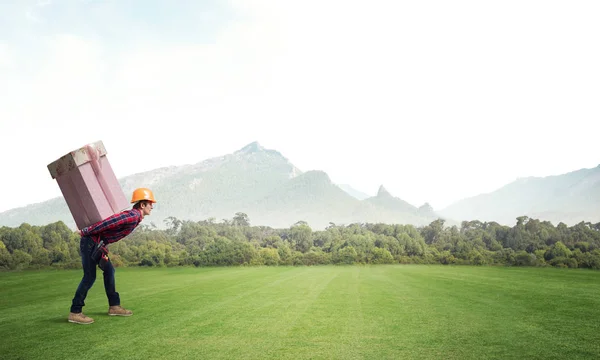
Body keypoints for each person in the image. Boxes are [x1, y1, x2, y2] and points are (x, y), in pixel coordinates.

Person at [68, 187, 156, 325]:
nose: (152, 206)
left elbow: (110, 230)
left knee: (109, 270)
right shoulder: (132, 215)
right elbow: (110, 222)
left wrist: (103, 245)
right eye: (150, 203)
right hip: (90, 242)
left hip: (97, 244)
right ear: (142, 204)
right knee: (89, 277)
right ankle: (75, 312)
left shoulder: (136, 217)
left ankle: (114, 306)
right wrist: (86, 231)